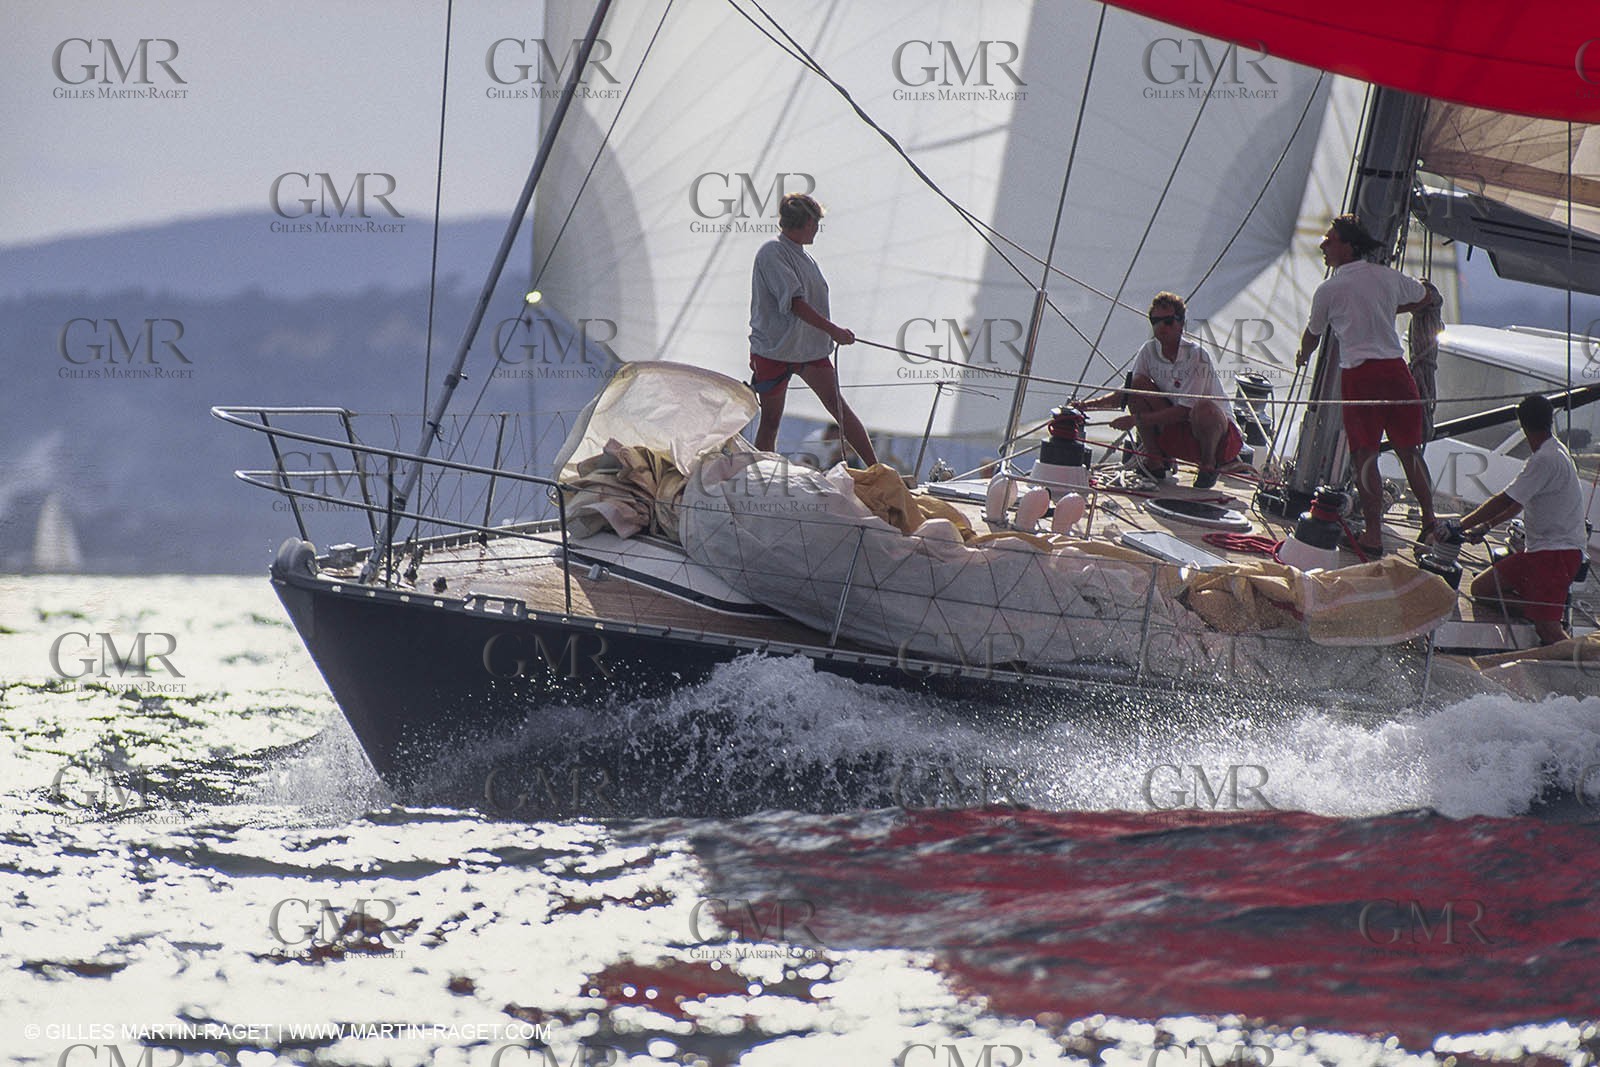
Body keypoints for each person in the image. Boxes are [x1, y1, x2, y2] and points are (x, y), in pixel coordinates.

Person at [1295, 213, 1440, 557]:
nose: (1324, 246)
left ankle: (1373, 536)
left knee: (1365, 457)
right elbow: (1425, 297)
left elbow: (1314, 335)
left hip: (1360, 377)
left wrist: (1302, 355)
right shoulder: (1388, 278)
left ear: (1348, 246)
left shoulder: (1329, 288)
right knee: (1410, 453)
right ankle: (1430, 522)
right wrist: (1390, 308)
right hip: (1396, 374)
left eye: (1329, 241)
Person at [748, 192, 878, 466]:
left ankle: (877, 468)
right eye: (814, 224)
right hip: (774, 351)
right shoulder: (772, 252)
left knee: (839, 409)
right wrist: (833, 330)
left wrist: (830, 332)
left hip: (808, 349)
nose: (817, 230)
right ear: (803, 223)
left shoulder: (803, 257)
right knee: (771, 420)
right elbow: (795, 303)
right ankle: (761, 473)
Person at [1455, 393, 1588, 645]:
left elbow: (1504, 500)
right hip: (1539, 553)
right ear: (1549, 422)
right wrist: (1485, 526)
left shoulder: (1544, 460)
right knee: (1482, 590)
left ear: (1522, 425)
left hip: (1556, 555)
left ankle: (1584, 670)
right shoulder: (1555, 450)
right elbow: (1517, 503)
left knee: (1548, 631)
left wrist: (1460, 525)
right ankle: (1537, 608)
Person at [1080, 291, 1243, 489]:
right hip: (1178, 432)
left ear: (1181, 323)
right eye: (1155, 321)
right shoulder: (1149, 351)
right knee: (1137, 385)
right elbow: (1125, 394)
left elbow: (1186, 410)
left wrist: (1135, 420)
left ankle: (1209, 467)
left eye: (1168, 321)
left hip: (1218, 439)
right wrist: (1084, 406)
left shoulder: (1197, 356)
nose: (1161, 327)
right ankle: (1155, 461)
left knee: (1203, 408)